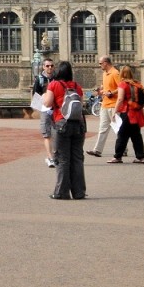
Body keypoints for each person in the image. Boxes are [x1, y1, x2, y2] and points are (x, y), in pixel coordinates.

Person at [42, 61, 86, 199]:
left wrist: (44, 97)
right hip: (78, 125)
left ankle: (62, 192)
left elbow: (48, 103)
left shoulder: (54, 84)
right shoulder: (77, 86)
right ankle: (79, 192)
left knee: (62, 159)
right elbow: (81, 104)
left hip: (61, 124)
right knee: (77, 159)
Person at [110, 66, 144, 163]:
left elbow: (120, 99)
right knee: (136, 135)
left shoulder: (123, 84)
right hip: (137, 112)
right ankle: (140, 157)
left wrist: (115, 111)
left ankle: (118, 156)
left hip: (127, 112)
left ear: (122, 73)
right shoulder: (137, 84)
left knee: (122, 134)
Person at [87, 56, 120, 157]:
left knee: (118, 129)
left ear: (106, 63)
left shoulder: (115, 73)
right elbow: (104, 88)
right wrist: (100, 91)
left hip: (114, 105)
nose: (99, 65)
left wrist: (112, 93)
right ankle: (97, 150)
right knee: (102, 128)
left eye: (100, 63)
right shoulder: (105, 74)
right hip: (105, 104)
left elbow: (122, 88)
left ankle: (123, 148)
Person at [32, 57, 55, 167]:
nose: (50, 67)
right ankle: (50, 157)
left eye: (51, 65)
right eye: (47, 66)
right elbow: (35, 94)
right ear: (43, 67)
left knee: (56, 133)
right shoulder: (39, 79)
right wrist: (40, 107)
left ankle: (55, 155)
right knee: (47, 134)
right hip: (45, 109)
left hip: (56, 109)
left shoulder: (57, 78)